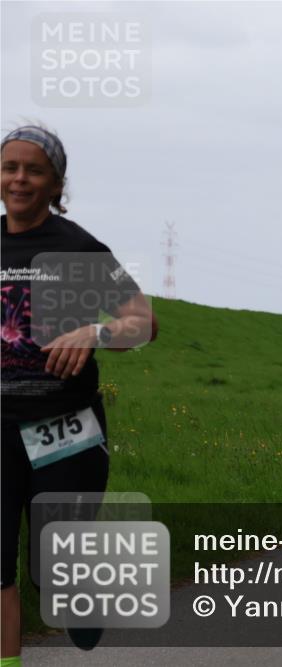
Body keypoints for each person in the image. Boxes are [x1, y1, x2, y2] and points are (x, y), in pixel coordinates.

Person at [1, 125, 158, 665]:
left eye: (34, 169)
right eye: (10, 167)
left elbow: (143, 322)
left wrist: (95, 333)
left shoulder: (76, 247)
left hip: (63, 427)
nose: (19, 178)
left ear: (55, 183)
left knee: (52, 570)